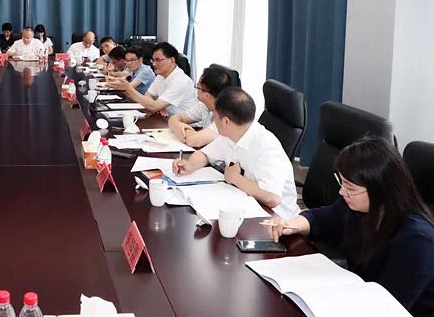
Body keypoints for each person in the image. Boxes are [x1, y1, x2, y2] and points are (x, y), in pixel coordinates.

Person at [265, 137, 434, 316]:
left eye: (350, 189)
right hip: (358, 296)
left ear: (381, 189)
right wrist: (291, 224)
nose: (342, 192)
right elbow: (321, 218)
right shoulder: (360, 207)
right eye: (342, 183)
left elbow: (389, 305)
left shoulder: (417, 240)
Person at [173, 88, 300, 218]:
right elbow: (205, 154)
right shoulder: (231, 134)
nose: (213, 121)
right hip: (244, 203)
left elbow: (272, 198)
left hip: (277, 219)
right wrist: (190, 166)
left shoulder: (267, 147)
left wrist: (235, 178)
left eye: (214, 116)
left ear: (226, 122)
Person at [107, 42, 197, 116]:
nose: (154, 64)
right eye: (153, 60)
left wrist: (128, 88)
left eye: (158, 60)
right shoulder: (161, 75)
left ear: (172, 61)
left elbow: (153, 106)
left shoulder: (180, 80)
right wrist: (156, 106)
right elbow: (148, 95)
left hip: (188, 126)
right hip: (166, 119)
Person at [168, 65, 235, 148]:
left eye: (197, 87)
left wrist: (182, 128)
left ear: (207, 95)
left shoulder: (226, 116)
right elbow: (174, 118)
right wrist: (177, 125)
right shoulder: (204, 105)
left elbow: (193, 140)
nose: (196, 90)